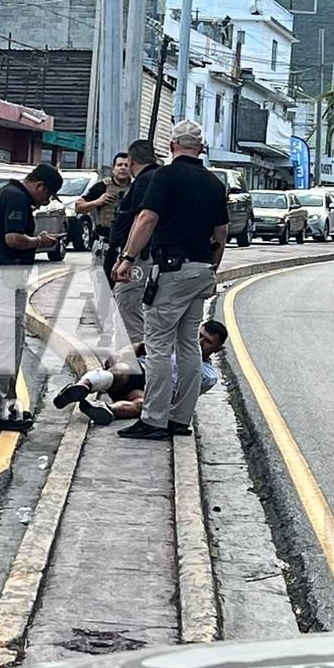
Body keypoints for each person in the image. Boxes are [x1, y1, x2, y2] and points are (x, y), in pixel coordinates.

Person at [112, 120, 228, 440]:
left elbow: (147, 218)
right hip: (202, 269)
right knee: (188, 343)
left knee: (159, 346)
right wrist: (212, 267)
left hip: (172, 270)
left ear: (172, 146)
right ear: (201, 148)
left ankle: (154, 419)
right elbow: (221, 232)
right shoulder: (215, 183)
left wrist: (127, 258)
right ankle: (180, 418)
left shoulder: (164, 175)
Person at [0, 163, 63, 432]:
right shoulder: (15, 197)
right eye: (47, 195)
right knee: (6, 344)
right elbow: (14, 238)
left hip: (6, 276)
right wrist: (40, 241)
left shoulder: (12, 195)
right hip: (3, 276)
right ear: (39, 186)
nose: (45, 201)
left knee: (13, 342)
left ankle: (8, 405)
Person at [53, 320, 227, 428]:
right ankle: (83, 387)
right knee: (120, 371)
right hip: (142, 371)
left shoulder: (207, 375)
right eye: (199, 335)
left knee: (141, 404)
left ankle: (105, 410)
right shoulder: (176, 340)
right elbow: (140, 346)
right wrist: (122, 354)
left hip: (158, 391)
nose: (200, 342)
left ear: (218, 349)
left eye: (208, 342)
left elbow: (183, 397)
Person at [107, 139, 161, 356]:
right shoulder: (155, 178)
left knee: (128, 308)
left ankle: (132, 367)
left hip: (139, 258)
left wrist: (126, 258)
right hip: (144, 257)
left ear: (130, 160)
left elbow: (141, 219)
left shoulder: (146, 180)